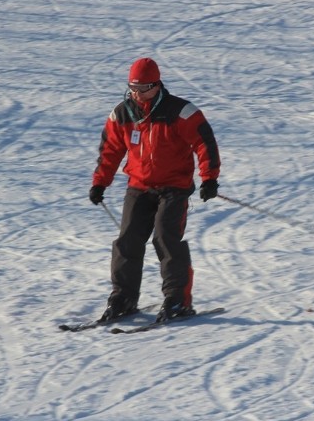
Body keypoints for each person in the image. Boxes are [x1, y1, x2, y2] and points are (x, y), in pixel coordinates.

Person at [88, 57, 221, 323]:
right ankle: (123, 298)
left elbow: (204, 143)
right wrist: (100, 182)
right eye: (133, 87)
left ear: (157, 84)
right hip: (139, 186)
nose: (137, 93)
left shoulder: (181, 112)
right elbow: (110, 150)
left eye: (144, 87)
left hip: (174, 188)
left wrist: (209, 178)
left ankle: (177, 300)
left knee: (166, 238)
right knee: (127, 240)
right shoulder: (123, 113)